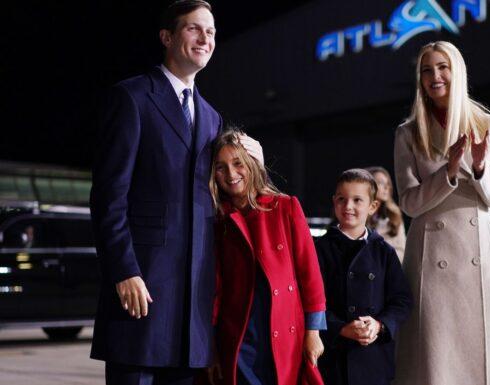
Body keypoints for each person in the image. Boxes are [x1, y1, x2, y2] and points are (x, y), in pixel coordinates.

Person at [89, 2, 263, 384]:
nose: (206, 38)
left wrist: (255, 161)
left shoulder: (213, 118)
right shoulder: (132, 98)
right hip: (142, 288)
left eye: (212, 32)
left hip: (192, 302)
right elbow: (108, 196)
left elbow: (228, 198)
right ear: (167, 37)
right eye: (194, 29)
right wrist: (124, 270)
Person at [393, 41, 490, 385]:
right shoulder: (408, 133)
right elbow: (410, 203)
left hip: (482, 254)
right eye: (427, 70)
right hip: (432, 259)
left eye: (443, 67)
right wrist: (447, 172)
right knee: (436, 353)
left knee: (486, 350)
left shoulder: (489, 125)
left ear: (457, 71)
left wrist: (479, 168)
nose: (435, 76)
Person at [208, 129, 326, 385]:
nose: (230, 174)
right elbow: (215, 287)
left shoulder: (285, 207)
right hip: (239, 336)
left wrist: (313, 332)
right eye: (221, 167)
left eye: (238, 163)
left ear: (252, 164)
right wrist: (212, 347)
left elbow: (310, 273)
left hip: (285, 332)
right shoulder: (218, 221)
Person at [315, 169, 412, 385]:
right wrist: (340, 328)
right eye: (342, 199)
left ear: (373, 206)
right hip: (333, 357)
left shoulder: (384, 251)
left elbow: (402, 301)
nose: (348, 206)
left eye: (357, 200)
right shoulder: (318, 249)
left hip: (373, 359)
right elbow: (310, 302)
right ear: (334, 202)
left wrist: (380, 325)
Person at [365, 167, 406, 262]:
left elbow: (402, 251)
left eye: (388, 184)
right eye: (381, 182)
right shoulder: (358, 213)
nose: (386, 187)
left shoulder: (394, 216)